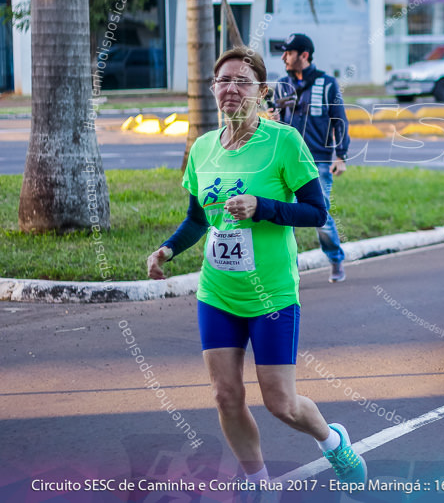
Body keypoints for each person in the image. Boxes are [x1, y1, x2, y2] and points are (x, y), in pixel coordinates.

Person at [146, 46, 366, 490]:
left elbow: (315, 212)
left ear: (262, 91)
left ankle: (332, 440)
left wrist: (262, 206)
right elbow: (197, 218)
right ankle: (258, 482)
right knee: (226, 396)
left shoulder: (284, 142)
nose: (230, 89)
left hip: (272, 293)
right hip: (218, 294)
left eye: (241, 81)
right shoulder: (204, 148)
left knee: (281, 403)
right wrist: (167, 251)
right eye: (222, 80)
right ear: (212, 89)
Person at [270, 33, 350, 282]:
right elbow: (278, 125)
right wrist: (274, 119)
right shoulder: (282, 84)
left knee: (321, 217)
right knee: (287, 219)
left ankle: (336, 259)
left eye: (289, 52)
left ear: (303, 55)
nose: (283, 57)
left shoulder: (327, 84)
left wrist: (341, 156)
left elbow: (339, 120)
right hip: (287, 163)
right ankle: (290, 272)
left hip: (319, 162)